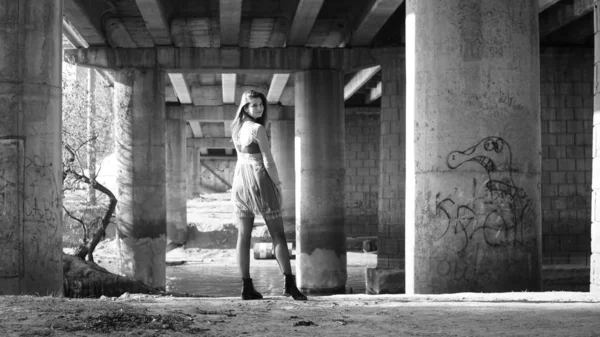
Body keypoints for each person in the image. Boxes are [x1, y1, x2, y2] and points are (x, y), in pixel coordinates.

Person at [230, 89, 307, 301]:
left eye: (261, 104)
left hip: (240, 182)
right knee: (278, 236)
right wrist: (278, 185)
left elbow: (241, 158)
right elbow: (268, 161)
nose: (259, 108)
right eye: (253, 105)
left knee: (243, 236)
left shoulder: (236, 128)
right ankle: (290, 285)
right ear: (245, 107)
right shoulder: (258, 128)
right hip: (260, 182)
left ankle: (246, 288)